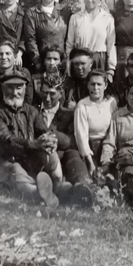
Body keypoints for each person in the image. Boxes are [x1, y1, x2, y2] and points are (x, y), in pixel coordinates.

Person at [0, 69, 63, 208]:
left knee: (49, 151)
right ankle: (40, 195)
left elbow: (43, 131)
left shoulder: (32, 111)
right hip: (3, 162)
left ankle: (57, 188)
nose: (15, 93)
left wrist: (50, 141)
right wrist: (33, 144)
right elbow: (6, 139)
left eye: (19, 88)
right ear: (2, 88)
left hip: (29, 161)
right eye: (10, 87)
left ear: (25, 88)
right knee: (15, 170)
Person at [38, 76, 93, 204]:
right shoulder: (34, 112)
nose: (47, 98)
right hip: (44, 155)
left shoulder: (70, 114)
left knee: (73, 155)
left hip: (66, 155)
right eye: (44, 93)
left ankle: (83, 187)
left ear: (61, 93)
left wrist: (54, 136)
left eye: (52, 94)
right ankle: (60, 192)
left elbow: (74, 141)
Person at [66, 0, 116, 81]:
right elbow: (69, 43)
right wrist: (68, 63)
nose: (90, 0)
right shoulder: (75, 17)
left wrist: (111, 69)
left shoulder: (107, 18)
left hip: (99, 60)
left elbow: (111, 45)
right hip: (80, 60)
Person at [74, 70, 118, 177]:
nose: (96, 88)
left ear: (106, 85)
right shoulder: (82, 105)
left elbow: (114, 130)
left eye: (99, 84)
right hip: (90, 149)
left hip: (109, 148)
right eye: (92, 84)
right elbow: (81, 136)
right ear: (88, 85)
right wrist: (90, 162)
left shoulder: (111, 103)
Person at [24, 0, 68, 73]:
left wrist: (65, 60)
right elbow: (30, 39)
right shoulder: (32, 12)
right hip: (42, 60)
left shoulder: (65, 11)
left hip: (61, 60)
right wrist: (37, 61)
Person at [0, 40, 33, 106]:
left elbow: (27, 102)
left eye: (8, 53)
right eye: (0, 54)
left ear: (15, 57)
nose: (4, 57)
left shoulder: (23, 73)